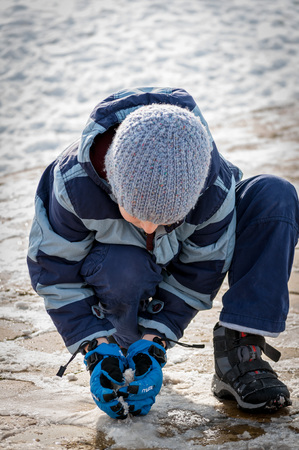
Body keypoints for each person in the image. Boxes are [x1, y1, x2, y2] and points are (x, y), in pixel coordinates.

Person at [27, 87, 299, 419]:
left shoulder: (214, 188)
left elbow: (199, 273)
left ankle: (239, 351)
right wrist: (97, 349)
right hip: (119, 278)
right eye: (138, 215)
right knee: (124, 264)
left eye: (167, 218)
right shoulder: (73, 185)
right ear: (114, 182)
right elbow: (56, 274)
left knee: (274, 196)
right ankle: (121, 347)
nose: (150, 228)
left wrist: (155, 343)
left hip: (172, 267)